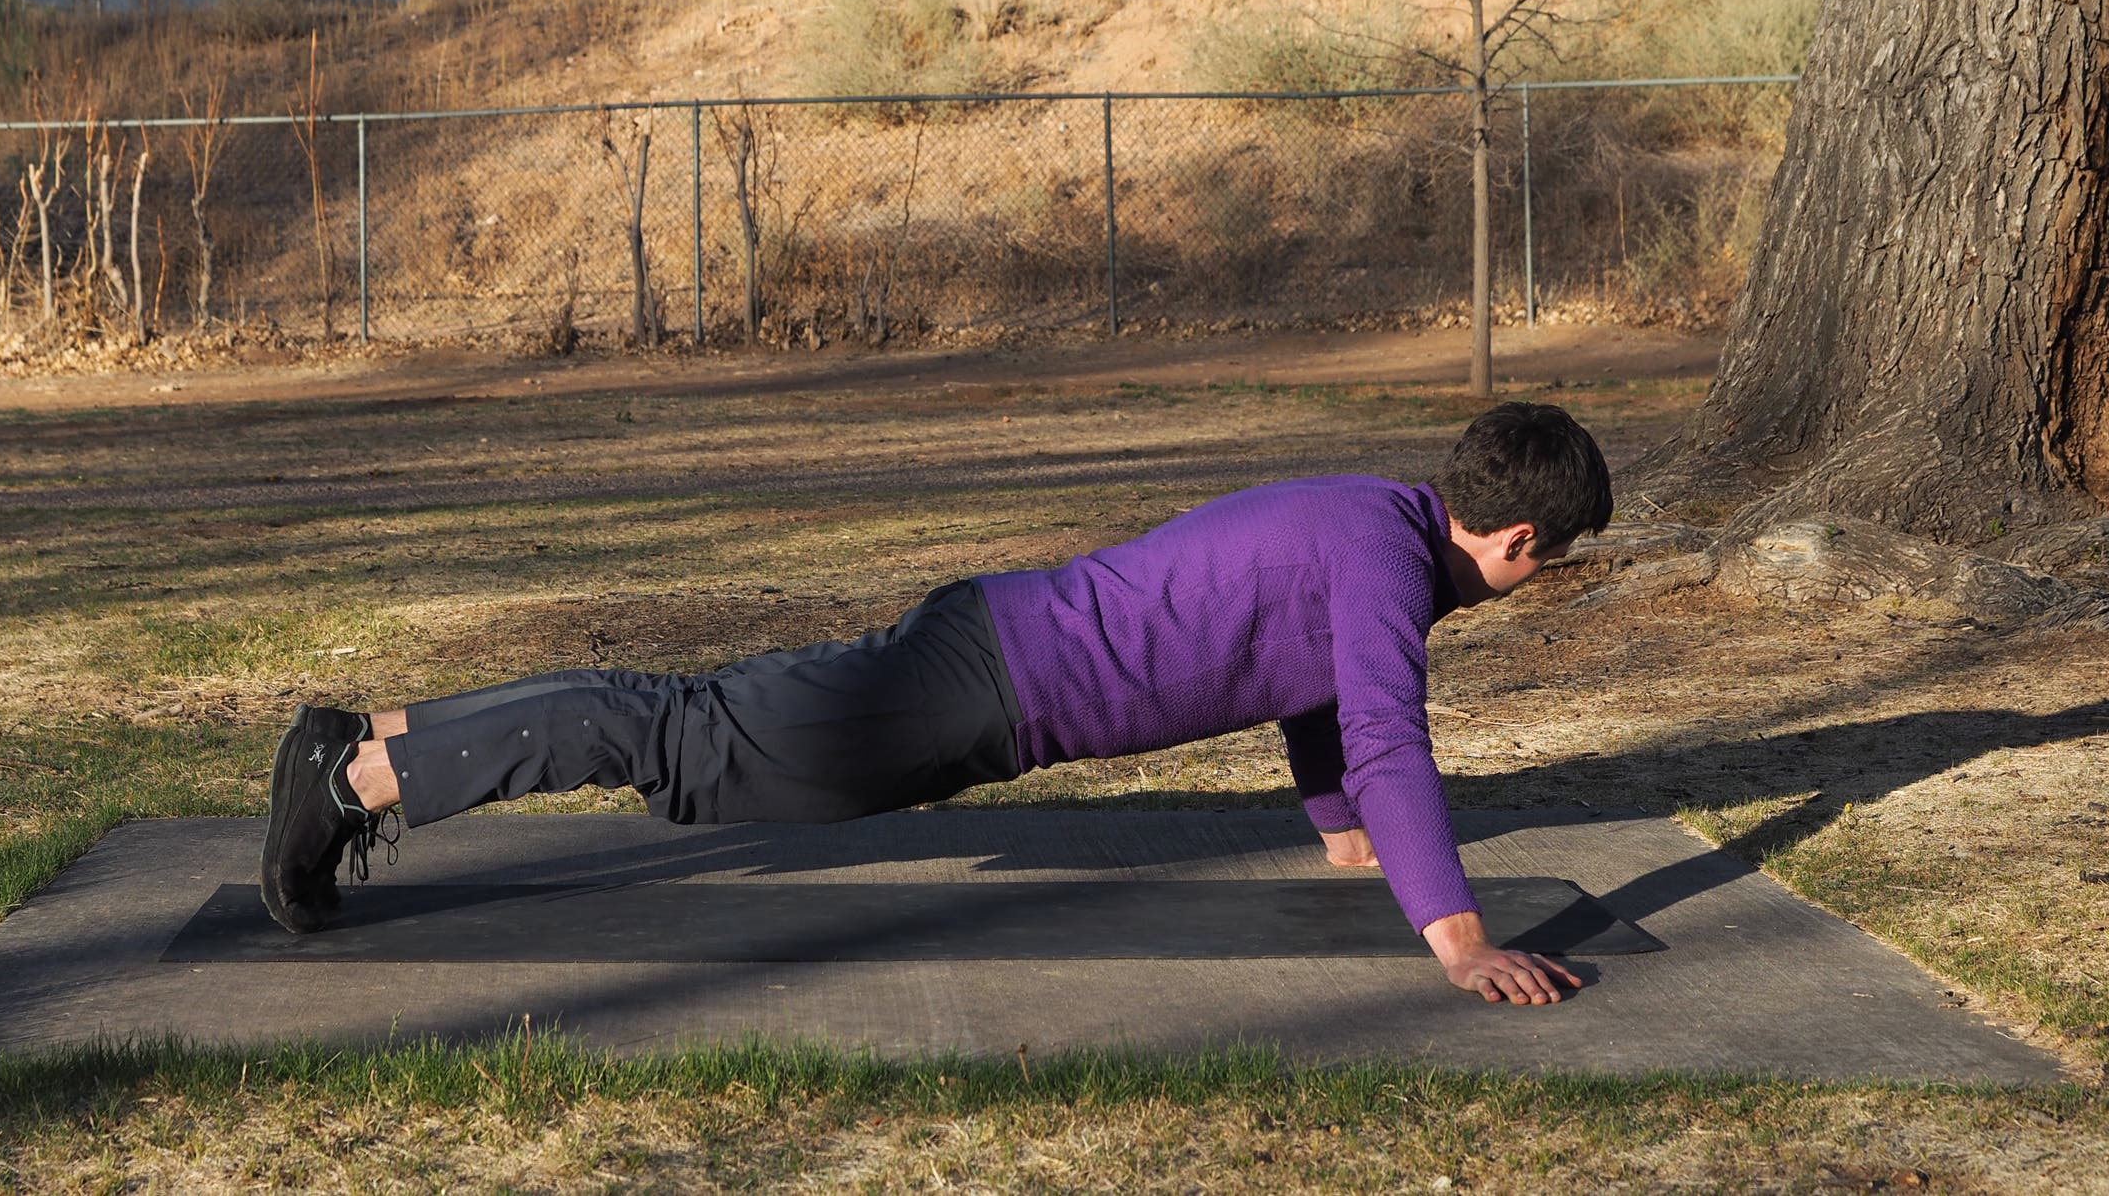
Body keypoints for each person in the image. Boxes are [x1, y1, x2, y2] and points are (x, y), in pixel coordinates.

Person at [261, 401, 1610, 1006]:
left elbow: (1316, 693)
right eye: (1552, 564)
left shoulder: (1375, 521)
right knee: (679, 740)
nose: (1537, 580)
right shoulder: (1387, 562)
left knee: (679, 719)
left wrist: (1343, 835)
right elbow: (1385, 731)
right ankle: (351, 783)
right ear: (1520, 543)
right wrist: (1456, 940)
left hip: (986, 658)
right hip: (974, 688)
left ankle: (361, 741)